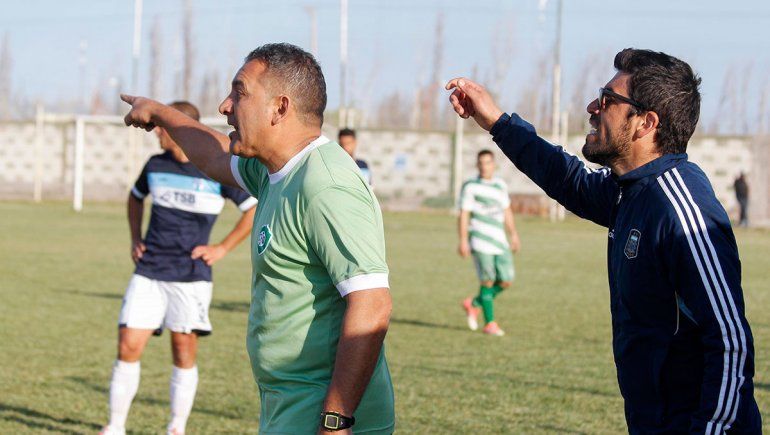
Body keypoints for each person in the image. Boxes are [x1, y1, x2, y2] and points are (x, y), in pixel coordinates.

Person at [446, 48, 761, 433]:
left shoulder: (681, 212)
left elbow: (730, 341)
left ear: (646, 123)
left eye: (608, 99)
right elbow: (567, 179)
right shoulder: (632, 190)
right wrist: (496, 121)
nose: (592, 107)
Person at [121, 43, 394, 434]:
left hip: (323, 412)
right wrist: (161, 112)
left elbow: (372, 305)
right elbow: (215, 156)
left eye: (240, 93)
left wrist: (337, 419)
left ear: (279, 108)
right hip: (291, 402)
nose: (225, 106)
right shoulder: (276, 171)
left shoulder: (326, 184)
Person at [101, 101, 257, 435]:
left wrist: (222, 248)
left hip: (191, 276)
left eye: (162, 125)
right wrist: (135, 237)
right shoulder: (155, 165)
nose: (157, 131)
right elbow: (135, 197)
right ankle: (115, 426)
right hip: (149, 271)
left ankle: (176, 427)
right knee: (128, 345)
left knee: (183, 350)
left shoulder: (215, 170)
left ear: (180, 129)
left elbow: (252, 208)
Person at [458, 149, 520, 336]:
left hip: (499, 240)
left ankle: (474, 303)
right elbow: (464, 214)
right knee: (487, 280)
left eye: (488, 163)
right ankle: (490, 324)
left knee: (506, 280)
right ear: (477, 165)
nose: (484, 166)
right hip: (479, 240)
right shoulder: (470, 186)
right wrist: (463, 240)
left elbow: (507, 211)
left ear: (494, 165)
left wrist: (514, 234)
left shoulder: (500, 186)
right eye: (481, 163)